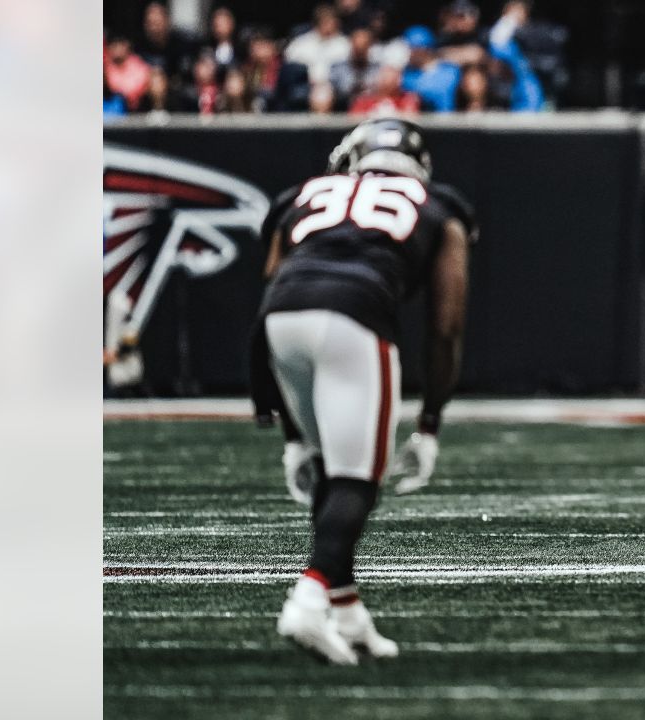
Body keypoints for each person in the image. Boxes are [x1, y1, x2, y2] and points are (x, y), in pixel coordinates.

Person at [254, 118, 471, 663]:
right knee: (357, 481)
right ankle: (307, 600)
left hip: (279, 319)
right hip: (355, 316)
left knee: (332, 467)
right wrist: (430, 426)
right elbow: (446, 328)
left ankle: (347, 612)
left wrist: (292, 435)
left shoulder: (302, 194)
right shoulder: (439, 206)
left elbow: (273, 281)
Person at [284, 4, 351, 84]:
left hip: (335, 87)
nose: (328, 26)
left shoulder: (345, 44)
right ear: (317, 23)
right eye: (325, 22)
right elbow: (289, 61)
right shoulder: (301, 43)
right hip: (306, 85)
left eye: (332, 22)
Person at [400, 25, 462, 113]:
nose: (409, 52)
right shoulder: (406, 75)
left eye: (412, 48)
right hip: (421, 122)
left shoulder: (450, 70)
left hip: (449, 122)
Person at [349, 65, 421, 115]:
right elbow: (354, 121)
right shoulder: (363, 100)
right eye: (384, 76)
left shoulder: (407, 99)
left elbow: (410, 118)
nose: (385, 80)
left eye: (395, 77)